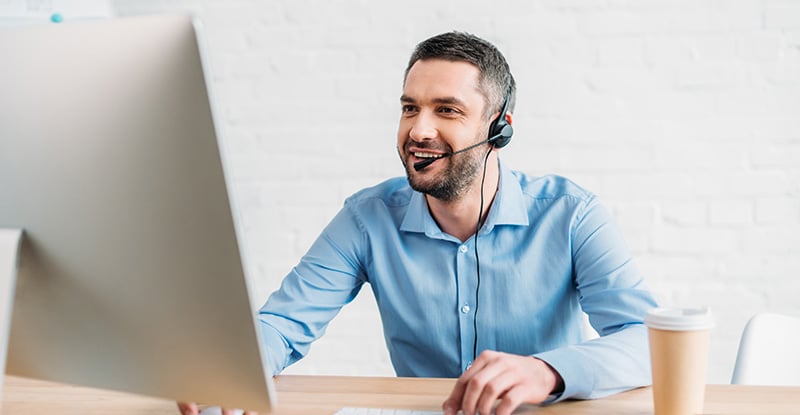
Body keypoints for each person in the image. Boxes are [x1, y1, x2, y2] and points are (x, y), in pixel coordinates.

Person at [179, 31, 658, 415]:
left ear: (499, 129)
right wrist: (226, 372)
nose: (419, 130)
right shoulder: (367, 219)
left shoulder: (571, 214)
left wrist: (547, 371)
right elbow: (282, 325)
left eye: (446, 110)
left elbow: (643, 340)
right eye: (410, 107)